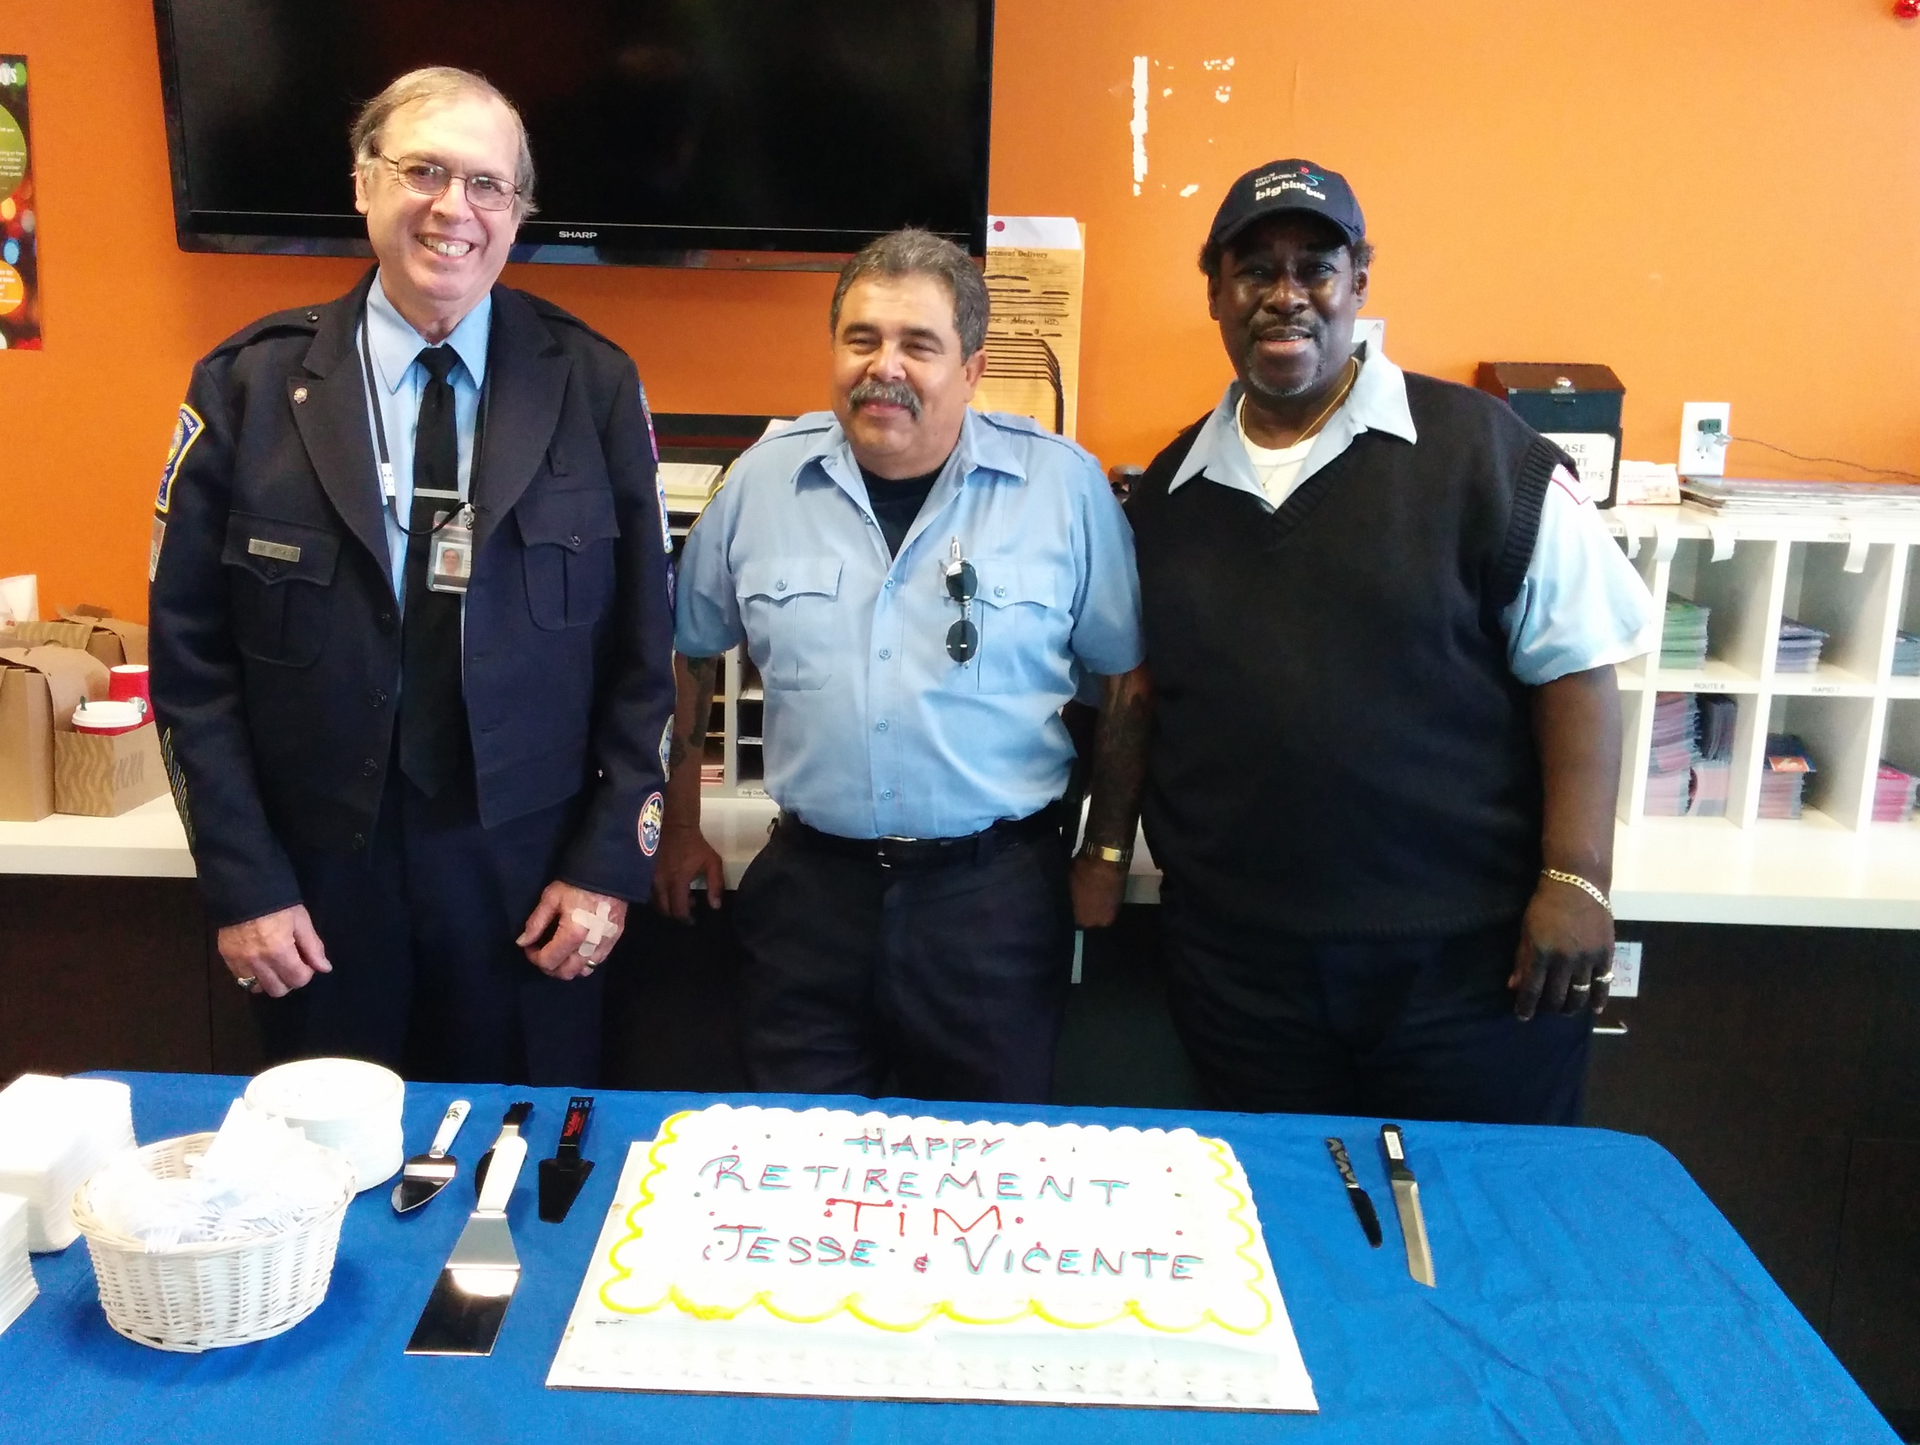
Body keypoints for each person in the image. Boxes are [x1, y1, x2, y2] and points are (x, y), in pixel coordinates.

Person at [149, 67, 674, 1085]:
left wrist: (610, 865)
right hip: (314, 899)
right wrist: (242, 882)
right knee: (327, 1184)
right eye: (423, 170)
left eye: (487, 185)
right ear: (363, 183)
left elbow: (647, 659)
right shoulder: (248, 386)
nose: (454, 209)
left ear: (518, 213)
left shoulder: (595, 385)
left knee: (514, 1182)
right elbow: (191, 667)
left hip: (530, 889)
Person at [1125, 160, 1653, 1125]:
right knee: (1274, 1233)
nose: (1285, 296)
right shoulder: (1167, 493)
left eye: (1314, 268)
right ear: (1214, 291)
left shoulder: (1486, 455)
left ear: (1359, 281)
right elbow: (1142, 696)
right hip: (1243, 977)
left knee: (1477, 1241)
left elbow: (1577, 668)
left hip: (1467, 972)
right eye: (1254, 272)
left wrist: (1578, 879)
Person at [652, 228, 1149, 1104]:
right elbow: (692, 655)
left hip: (991, 902)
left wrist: (1105, 850)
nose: (885, 366)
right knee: (791, 1156)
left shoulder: (1064, 489)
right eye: (862, 338)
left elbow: (1125, 682)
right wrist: (683, 826)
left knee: (985, 1169)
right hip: (810, 895)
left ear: (972, 366)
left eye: (919, 344)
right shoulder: (761, 483)